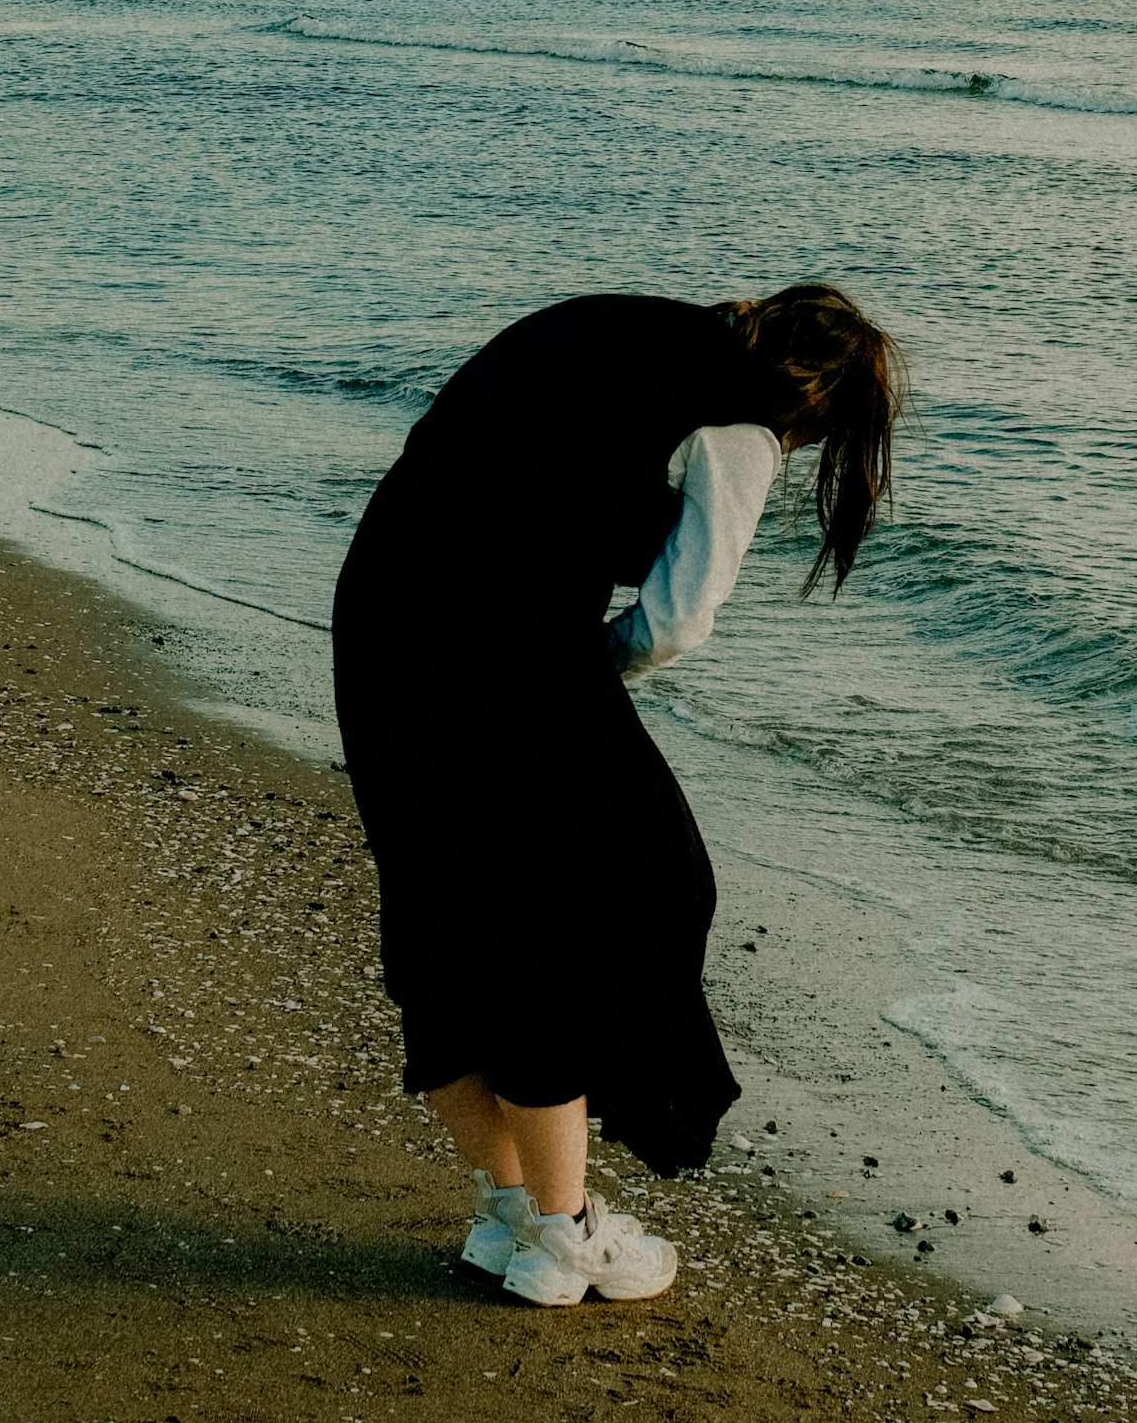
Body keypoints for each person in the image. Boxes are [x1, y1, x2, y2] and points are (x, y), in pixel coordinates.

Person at [330, 283, 907, 1310]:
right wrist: (571, 673)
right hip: (499, 646)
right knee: (623, 894)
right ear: (814, 410)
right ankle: (565, 1234)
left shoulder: (613, 327)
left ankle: (509, 1213)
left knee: (444, 908)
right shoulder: (739, 424)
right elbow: (677, 622)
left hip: (379, 611)